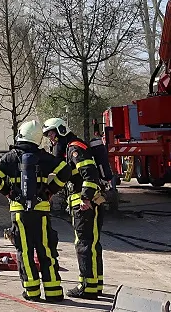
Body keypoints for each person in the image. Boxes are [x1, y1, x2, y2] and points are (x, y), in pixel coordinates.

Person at [0, 120, 71, 303]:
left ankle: (32, 292)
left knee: (25, 252)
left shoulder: (11, 156)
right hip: (41, 211)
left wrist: (8, 193)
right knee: (46, 250)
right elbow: (65, 171)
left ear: (21, 134)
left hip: (19, 212)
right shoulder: (44, 156)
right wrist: (49, 191)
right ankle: (54, 291)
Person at [42, 117, 104, 299]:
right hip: (88, 202)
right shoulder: (71, 148)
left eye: (52, 134)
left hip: (85, 204)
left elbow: (89, 174)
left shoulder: (74, 148)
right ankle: (95, 283)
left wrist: (85, 198)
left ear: (61, 130)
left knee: (84, 244)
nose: (51, 139)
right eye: (48, 136)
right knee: (91, 244)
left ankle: (87, 287)